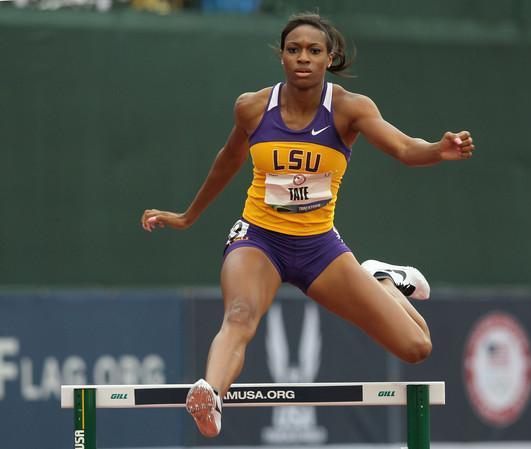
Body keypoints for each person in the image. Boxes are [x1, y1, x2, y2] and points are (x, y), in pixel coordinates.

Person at [141, 12, 475, 438]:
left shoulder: (349, 109)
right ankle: (210, 394)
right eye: (294, 50)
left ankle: (384, 280)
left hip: (319, 249)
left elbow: (405, 148)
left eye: (313, 51)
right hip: (259, 239)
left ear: (328, 58)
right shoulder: (253, 107)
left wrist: (436, 150)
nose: (303, 58)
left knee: (416, 347)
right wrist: (188, 215)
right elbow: (228, 160)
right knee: (240, 315)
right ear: (281, 56)